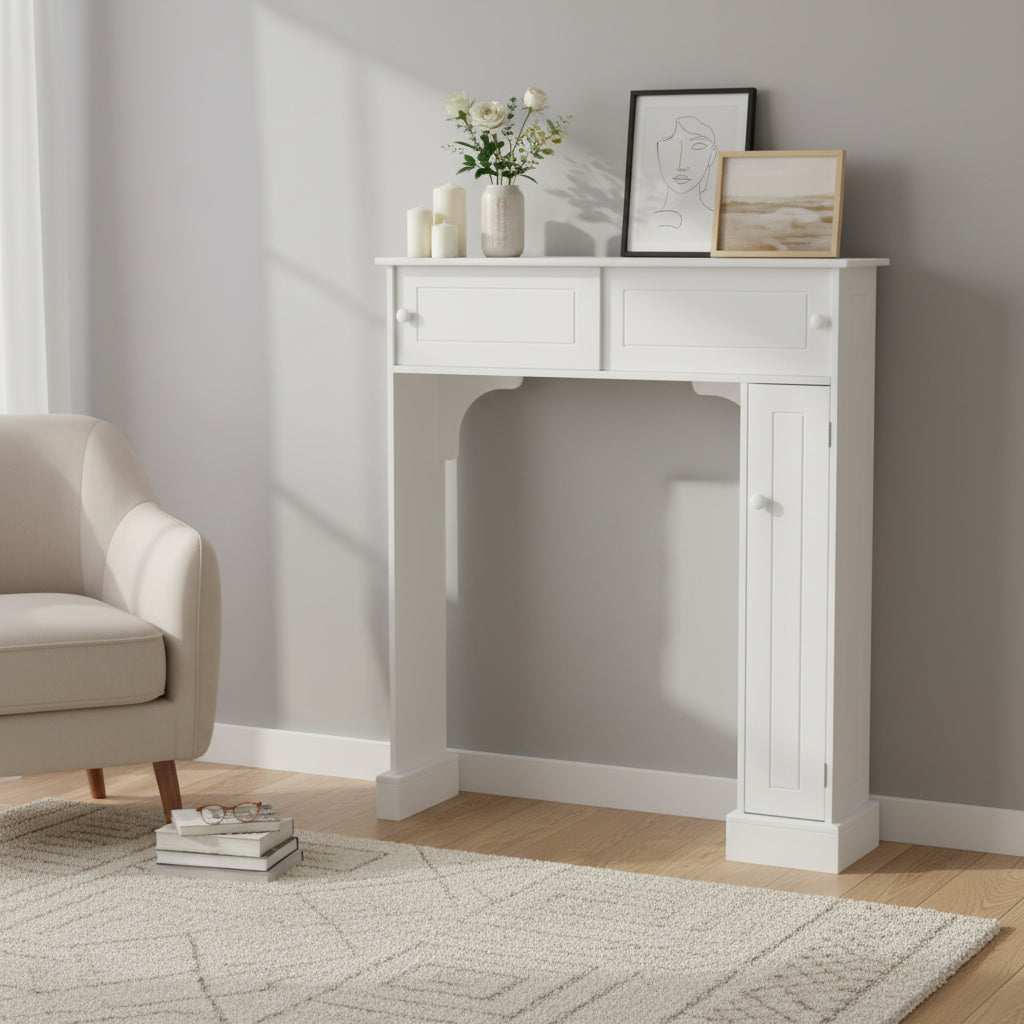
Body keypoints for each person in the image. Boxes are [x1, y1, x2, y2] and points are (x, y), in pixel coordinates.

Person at [653, 116, 717, 233]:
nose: (682, 165)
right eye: (671, 146)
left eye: (697, 147)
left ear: (712, 154)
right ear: (658, 150)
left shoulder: (717, 222)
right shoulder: (644, 224)